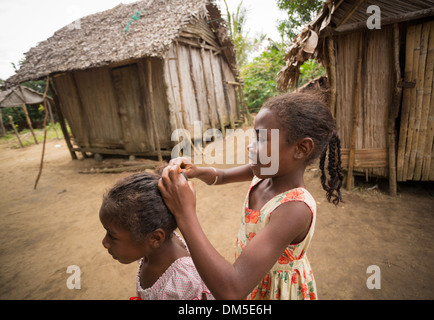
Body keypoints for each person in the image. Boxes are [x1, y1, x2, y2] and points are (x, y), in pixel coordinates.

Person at [158, 90, 343, 300]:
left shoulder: (294, 209)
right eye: (254, 135)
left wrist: (184, 213)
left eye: (262, 138)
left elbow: (232, 290)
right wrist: (198, 171)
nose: (250, 145)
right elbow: (222, 176)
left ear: (301, 148)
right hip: (253, 277)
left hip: (275, 292)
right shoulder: (265, 173)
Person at [99, 171, 214, 300]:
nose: (105, 242)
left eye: (112, 236)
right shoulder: (151, 248)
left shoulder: (184, 280)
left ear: (155, 238)